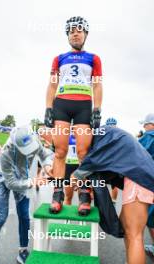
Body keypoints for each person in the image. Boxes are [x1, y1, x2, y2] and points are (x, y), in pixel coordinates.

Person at [44, 16, 103, 215]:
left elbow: (97, 84)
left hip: (83, 106)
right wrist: (48, 107)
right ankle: (57, 195)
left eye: (78, 30)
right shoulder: (59, 58)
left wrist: (97, 110)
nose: (74, 33)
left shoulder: (93, 58)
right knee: (60, 152)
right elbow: (52, 84)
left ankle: (84, 195)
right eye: (71, 31)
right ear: (67, 35)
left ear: (85, 33)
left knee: (83, 153)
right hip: (61, 104)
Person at [71, 125, 154, 264]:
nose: (79, 147)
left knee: (134, 235)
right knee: (129, 233)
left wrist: (74, 178)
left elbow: (90, 164)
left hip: (139, 177)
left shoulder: (103, 137)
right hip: (138, 176)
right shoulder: (105, 136)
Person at [0, 126, 53, 264]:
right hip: (3, 179)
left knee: (24, 216)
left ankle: (23, 251)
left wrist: (48, 165)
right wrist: (33, 181)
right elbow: (11, 183)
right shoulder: (6, 152)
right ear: (14, 144)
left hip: (23, 176)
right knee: (1, 217)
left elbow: (45, 155)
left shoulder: (34, 140)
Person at [138, 113, 154, 260]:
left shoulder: (149, 137)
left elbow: (136, 156)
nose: (144, 127)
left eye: (145, 124)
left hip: (151, 182)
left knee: (151, 219)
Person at [106, 118, 119, 205]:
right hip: (116, 163)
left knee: (100, 181)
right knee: (114, 184)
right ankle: (113, 200)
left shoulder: (105, 134)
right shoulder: (119, 134)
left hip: (106, 162)